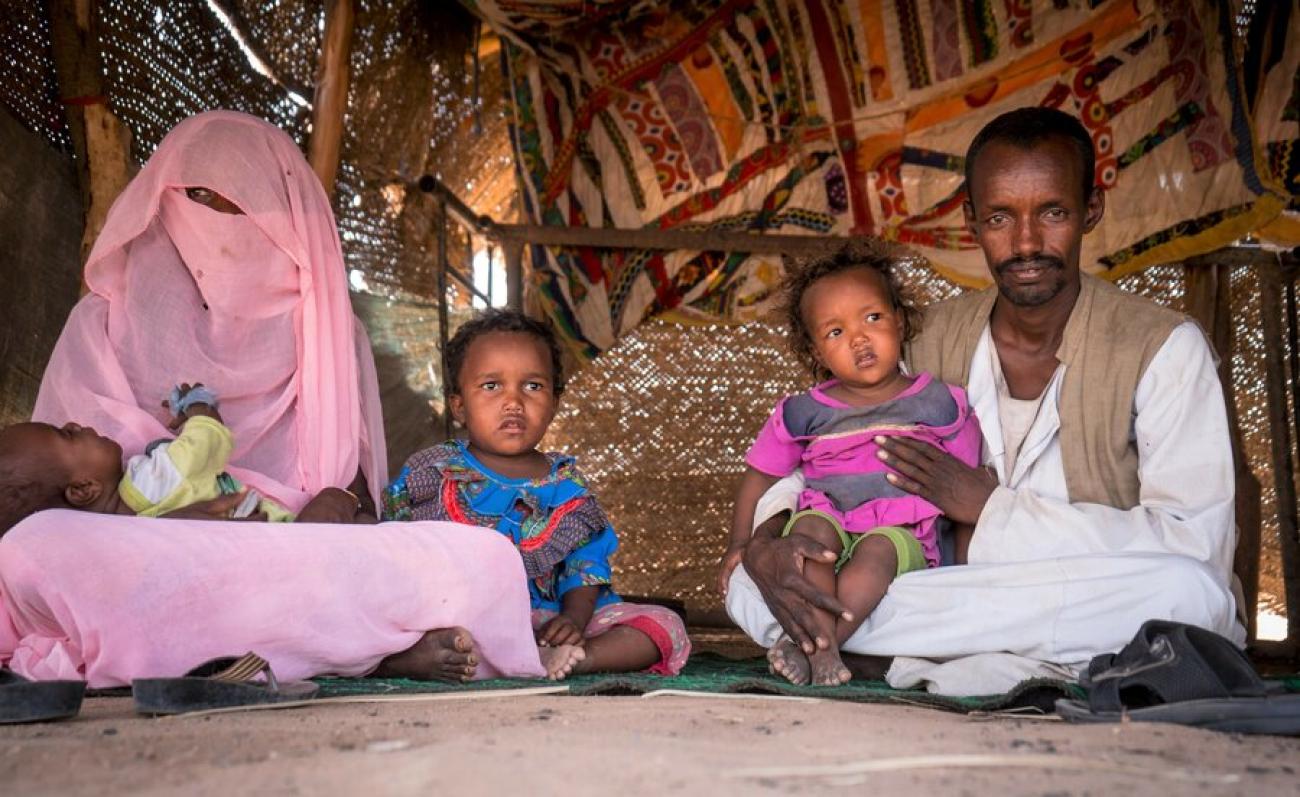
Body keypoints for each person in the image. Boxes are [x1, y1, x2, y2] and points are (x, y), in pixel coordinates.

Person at [0, 111, 547, 687]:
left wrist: (325, 511)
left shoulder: (329, 331)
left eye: (240, 208)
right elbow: (61, 507)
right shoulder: (104, 320)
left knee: (482, 558)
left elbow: (351, 497)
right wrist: (175, 527)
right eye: (198, 200)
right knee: (38, 549)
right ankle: (364, 655)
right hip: (156, 560)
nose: (217, 223)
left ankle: (323, 652)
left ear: (286, 222)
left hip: (293, 552)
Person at [725, 107, 1242, 693]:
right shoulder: (920, 339)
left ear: (1090, 209)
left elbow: (1197, 545)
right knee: (753, 588)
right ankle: (893, 642)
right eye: (1000, 217)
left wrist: (991, 509)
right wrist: (765, 541)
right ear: (972, 219)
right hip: (929, 581)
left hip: (1076, 588)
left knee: (1192, 597)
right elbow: (828, 453)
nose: (1026, 242)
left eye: (1051, 212)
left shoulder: (1165, 347)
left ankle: (864, 645)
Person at [719, 244, 982, 685]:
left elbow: (965, 490)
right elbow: (760, 477)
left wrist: (966, 570)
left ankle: (820, 647)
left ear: (900, 319)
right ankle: (820, 648)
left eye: (872, 318)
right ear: (817, 352)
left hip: (900, 532)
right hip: (829, 515)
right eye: (836, 332)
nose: (859, 339)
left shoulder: (939, 401)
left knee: (876, 553)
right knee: (808, 540)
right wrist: (738, 544)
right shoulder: (802, 412)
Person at [384, 309, 692, 679]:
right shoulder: (430, 472)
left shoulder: (568, 486)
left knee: (664, 624)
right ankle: (452, 655)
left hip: (544, 624)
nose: (513, 401)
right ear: (459, 406)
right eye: (491, 386)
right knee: (396, 628)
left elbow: (585, 568)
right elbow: (393, 552)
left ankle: (576, 658)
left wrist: (572, 621)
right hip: (460, 619)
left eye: (532, 386)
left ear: (554, 403)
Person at [0, 384, 293, 534]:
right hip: (281, 532)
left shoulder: (115, 536)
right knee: (333, 502)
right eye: (67, 435)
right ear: (83, 489)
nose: (75, 424)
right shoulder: (146, 484)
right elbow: (206, 444)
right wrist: (199, 407)